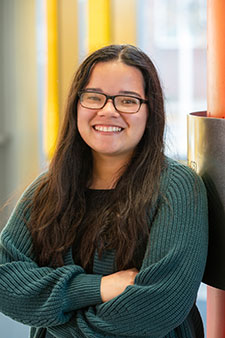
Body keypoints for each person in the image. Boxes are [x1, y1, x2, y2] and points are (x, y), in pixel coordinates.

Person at [0, 44, 208, 338]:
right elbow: (4, 281)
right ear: (77, 105)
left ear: (151, 112)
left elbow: (157, 307)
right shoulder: (47, 190)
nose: (108, 110)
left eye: (127, 101)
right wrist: (99, 288)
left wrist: (56, 318)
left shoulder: (177, 188)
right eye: (94, 97)